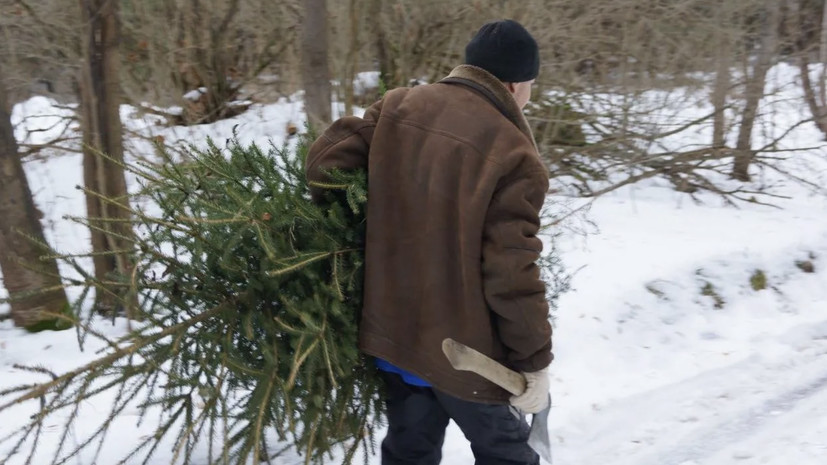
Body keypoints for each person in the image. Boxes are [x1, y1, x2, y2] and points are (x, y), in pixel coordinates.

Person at [306, 19, 552, 465]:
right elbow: (511, 271)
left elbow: (325, 162)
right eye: (532, 85)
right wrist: (534, 360)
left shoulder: (400, 104)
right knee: (508, 456)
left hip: (396, 336)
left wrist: (373, 220)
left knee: (409, 453)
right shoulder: (515, 153)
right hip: (467, 357)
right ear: (515, 85)